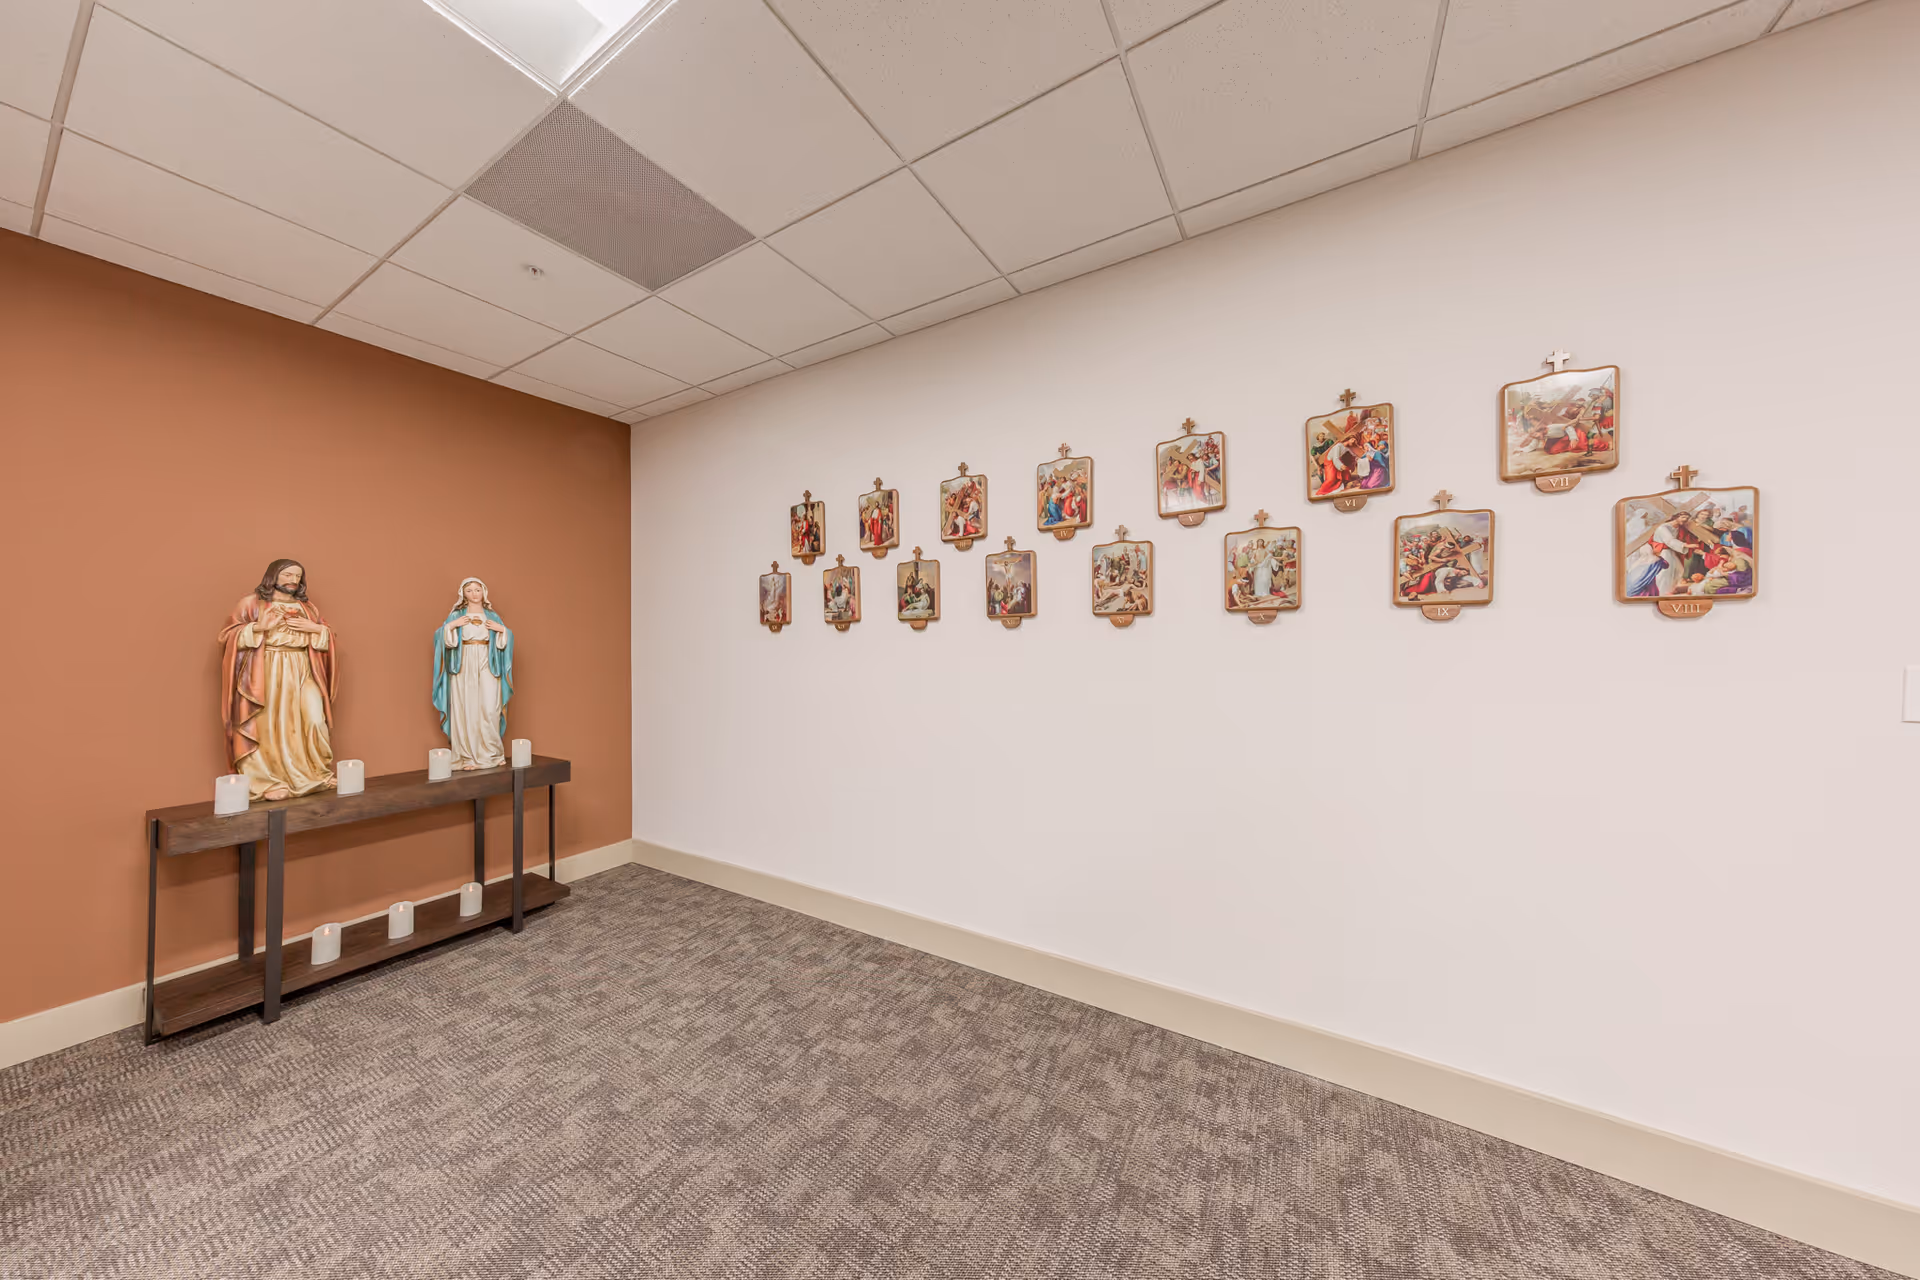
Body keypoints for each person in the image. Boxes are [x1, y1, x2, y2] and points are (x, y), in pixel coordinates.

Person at [220, 559, 337, 800]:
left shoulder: (308, 609)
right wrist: (258, 627)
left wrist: (315, 629)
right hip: (266, 669)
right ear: (273, 575)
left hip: (302, 667)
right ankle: (266, 780)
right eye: (288, 575)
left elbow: (328, 639)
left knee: (314, 719)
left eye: (298, 576)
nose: (293, 580)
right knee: (267, 724)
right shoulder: (252, 603)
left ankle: (316, 774)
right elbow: (227, 637)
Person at [433, 577, 513, 771]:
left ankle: (491, 753)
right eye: (470, 590)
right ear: (463, 594)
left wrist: (502, 630)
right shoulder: (456, 615)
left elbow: (505, 641)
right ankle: (467, 756)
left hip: (488, 663)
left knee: (489, 707)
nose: (474, 594)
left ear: (483, 592)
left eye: (478, 590)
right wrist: (451, 626)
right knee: (465, 707)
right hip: (463, 666)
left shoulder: (492, 616)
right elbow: (442, 639)